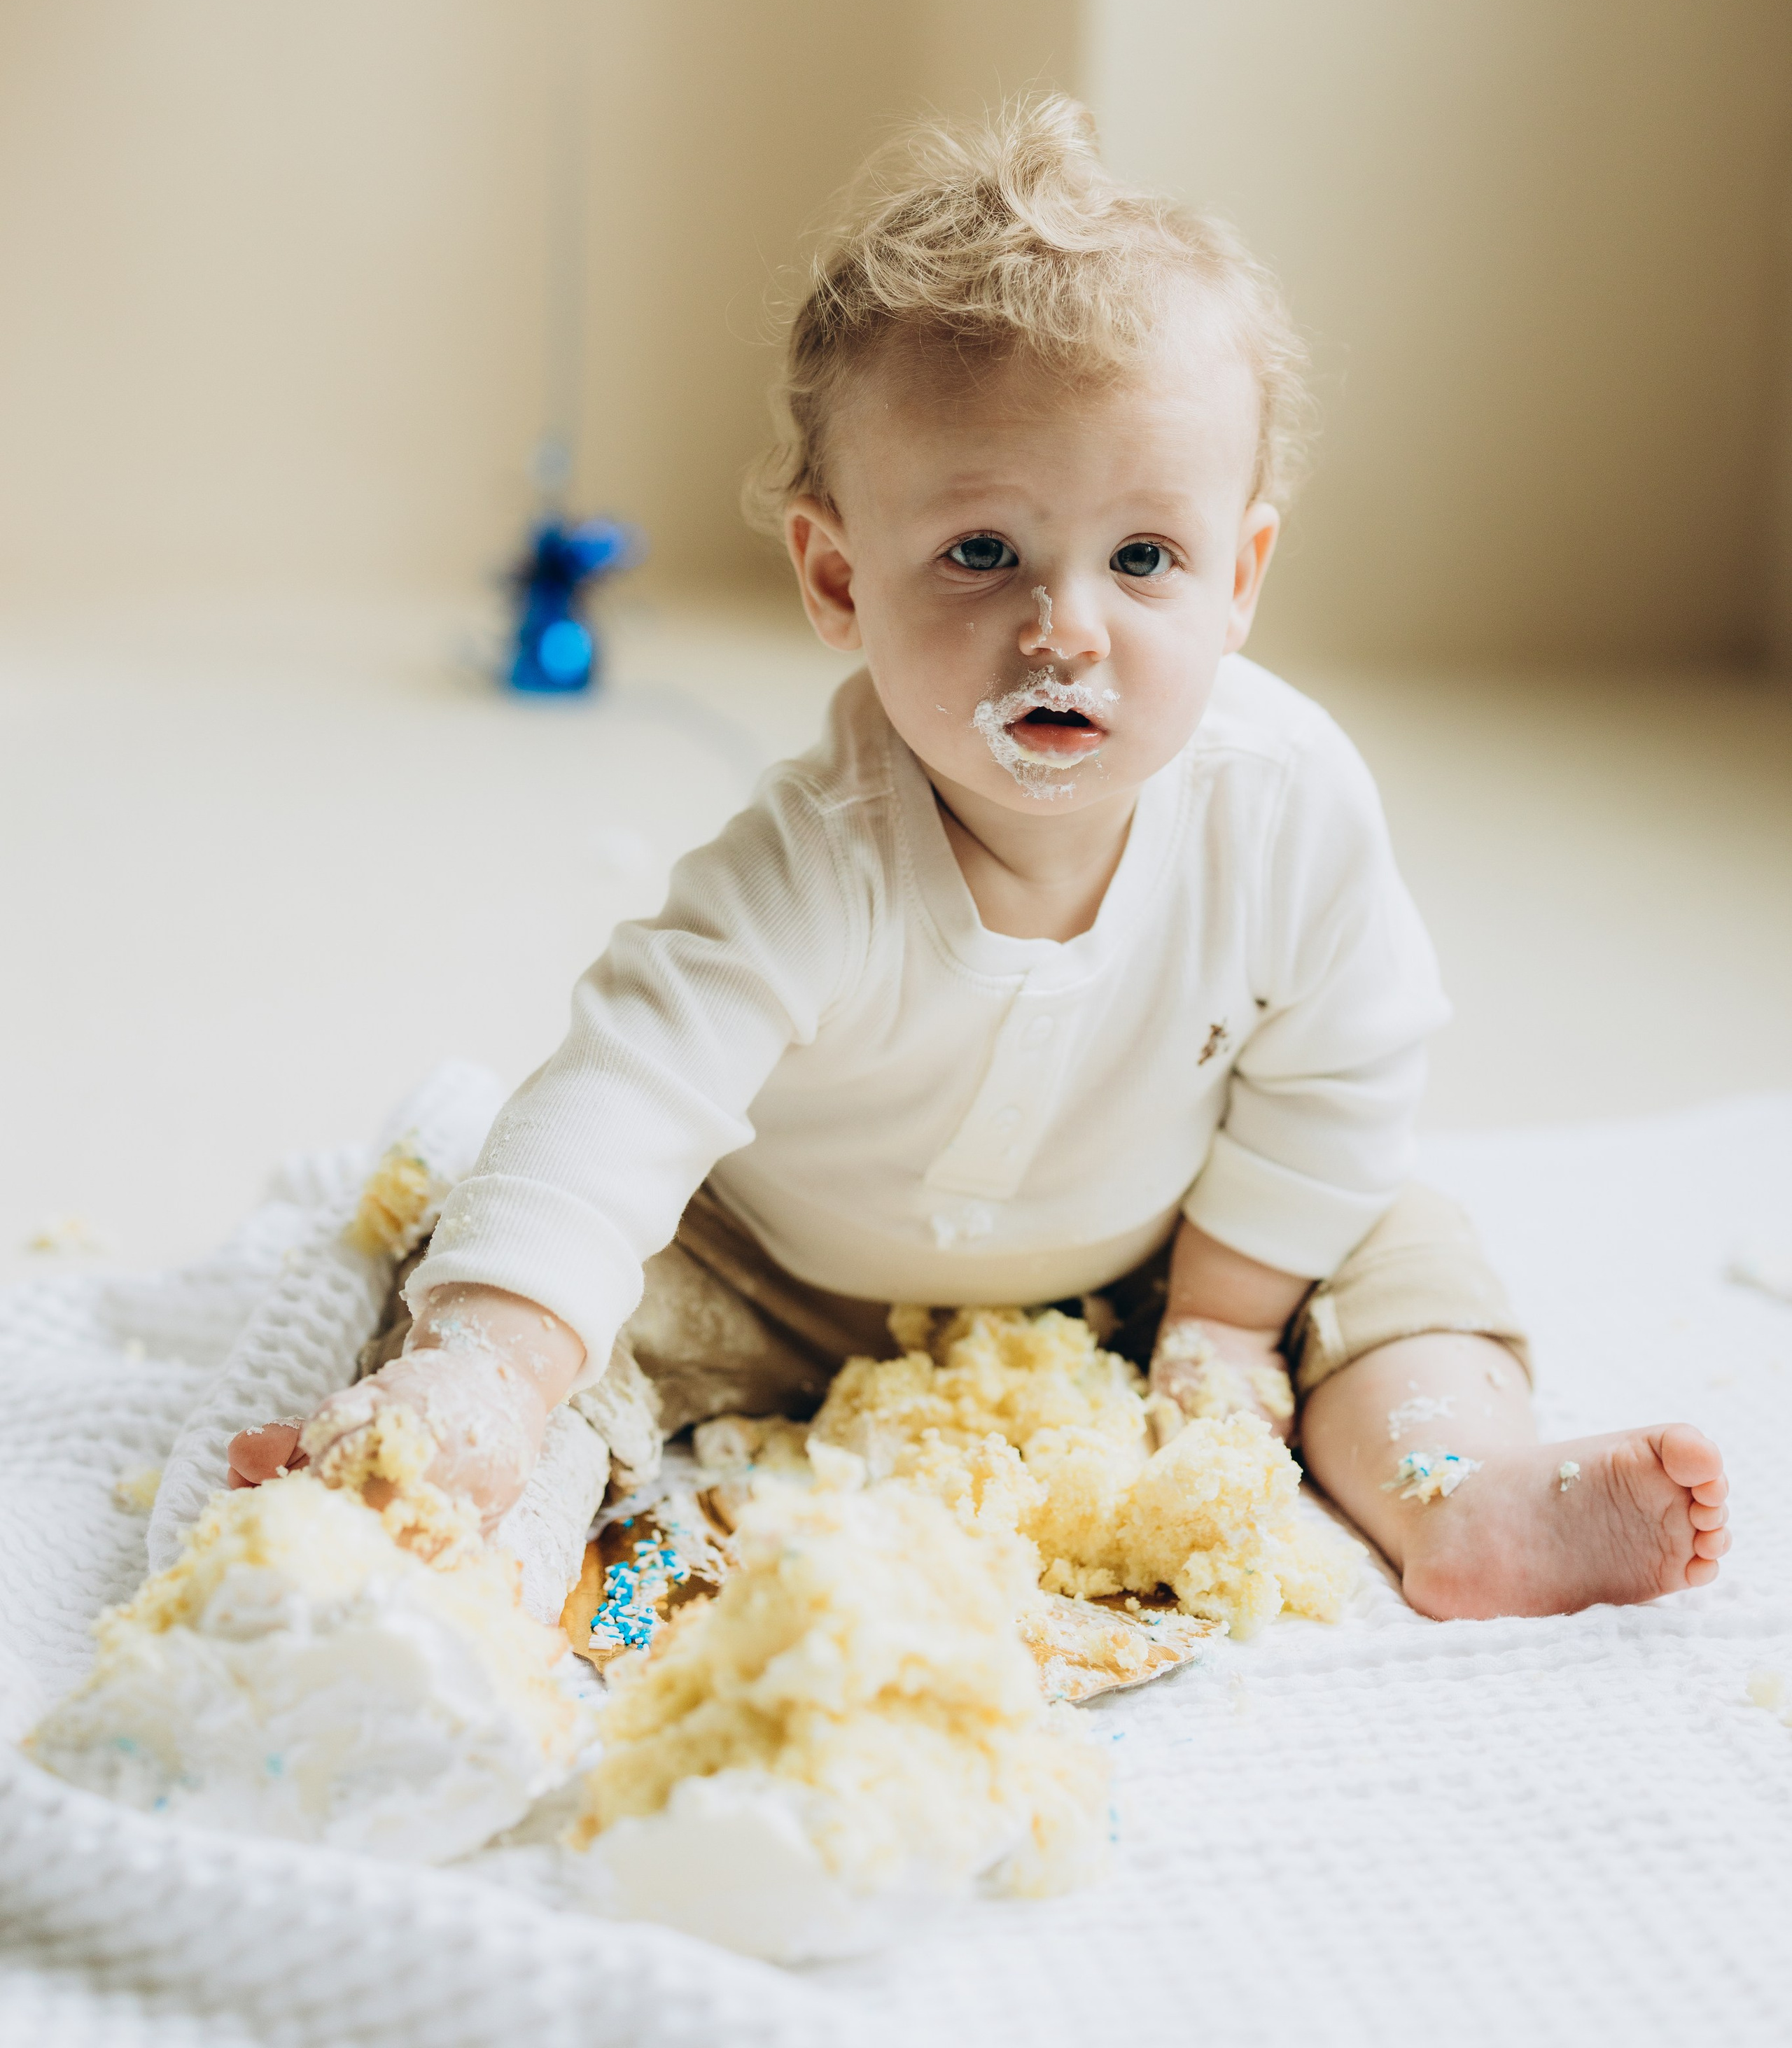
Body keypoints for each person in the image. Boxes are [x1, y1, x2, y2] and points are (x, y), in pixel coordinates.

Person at [231, 97, 1730, 1619]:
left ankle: (1457, 1490)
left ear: (1239, 578)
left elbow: (1343, 1070)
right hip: (787, 1278)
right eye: (979, 554)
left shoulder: (1285, 806)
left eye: (1143, 559)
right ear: (836, 576)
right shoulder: (810, 861)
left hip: (1169, 1248)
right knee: (534, 1273)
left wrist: (1222, 1315)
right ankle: (477, 1497)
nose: (1064, 627)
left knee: (1396, 1250)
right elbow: (622, 1097)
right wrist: (494, 1353)